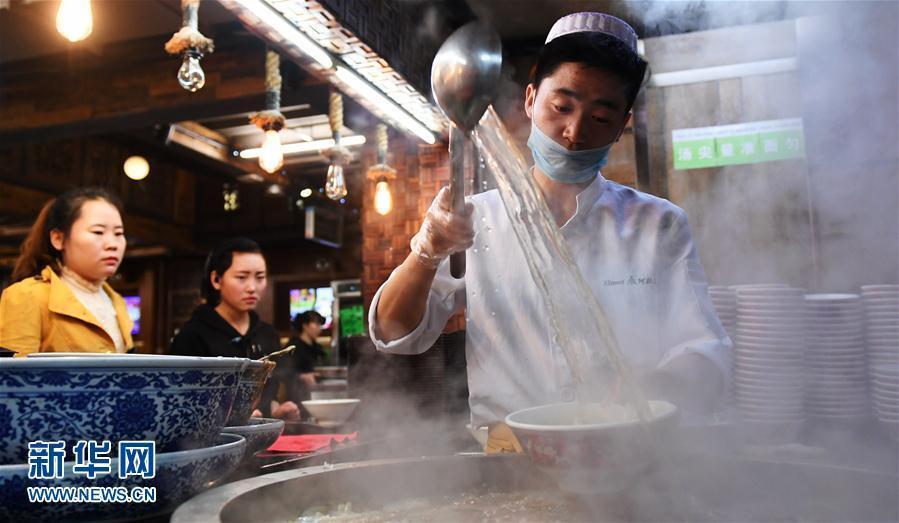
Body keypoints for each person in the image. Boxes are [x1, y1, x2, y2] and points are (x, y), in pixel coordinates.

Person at [369, 13, 732, 447]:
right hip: (510, 462)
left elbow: (706, 352)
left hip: (629, 454)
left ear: (623, 125)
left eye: (601, 117)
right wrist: (426, 250)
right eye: (562, 107)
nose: (574, 132)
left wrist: (653, 384)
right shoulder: (476, 220)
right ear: (529, 99)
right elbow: (393, 334)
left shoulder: (658, 223)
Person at [169, 237, 299, 420]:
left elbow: (270, 395)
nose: (252, 287)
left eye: (260, 277)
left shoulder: (268, 334)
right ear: (216, 279)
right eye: (241, 277)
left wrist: (276, 411)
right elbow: (178, 404)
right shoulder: (193, 336)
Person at [0, 188, 133, 355]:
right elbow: (12, 375)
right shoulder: (28, 295)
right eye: (98, 232)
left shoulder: (117, 301)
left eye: (119, 233)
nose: (113, 244)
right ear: (58, 239)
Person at [286, 310, 328, 395]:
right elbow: (283, 372)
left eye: (320, 325)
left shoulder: (318, 348)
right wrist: (302, 377)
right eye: (316, 324)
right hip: (298, 395)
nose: (319, 328)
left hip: (318, 392)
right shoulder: (293, 347)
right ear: (305, 325)